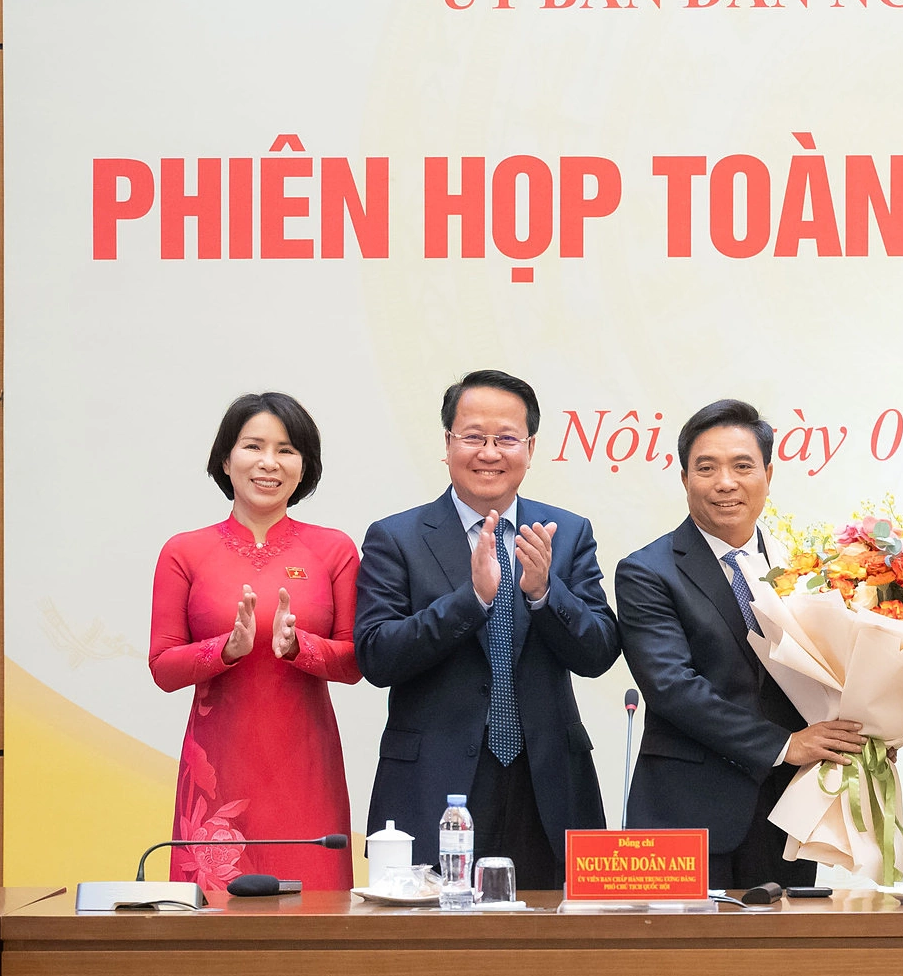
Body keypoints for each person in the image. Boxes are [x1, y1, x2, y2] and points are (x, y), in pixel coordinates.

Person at [354, 369, 622, 890]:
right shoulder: (396, 537)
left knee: (549, 935)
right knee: (432, 937)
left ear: (531, 447)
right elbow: (377, 656)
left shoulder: (566, 533)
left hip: (547, 785)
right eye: (473, 437)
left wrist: (545, 593)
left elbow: (598, 653)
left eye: (506, 439)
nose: (489, 453)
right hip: (434, 785)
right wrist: (471, 600)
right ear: (448, 444)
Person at [616, 400, 865, 889]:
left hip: (789, 813)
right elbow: (672, 687)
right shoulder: (647, 571)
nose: (725, 482)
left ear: (768, 475)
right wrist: (783, 745)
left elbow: (840, 670)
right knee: (681, 941)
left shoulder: (809, 567)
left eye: (742, 466)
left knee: (784, 939)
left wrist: (871, 733)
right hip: (686, 810)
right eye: (706, 468)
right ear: (684, 478)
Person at [147, 392, 360, 893]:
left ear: (304, 467)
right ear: (226, 459)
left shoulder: (334, 549)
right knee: (218, 924)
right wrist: (223, 651)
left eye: (286, 450)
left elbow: (355, 662)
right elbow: (162, 666)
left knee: (315, 916)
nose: (269, 462)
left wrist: (299, 647)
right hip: (218, 773)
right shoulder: (184, 551)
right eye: (253, 446)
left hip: (306, 769)